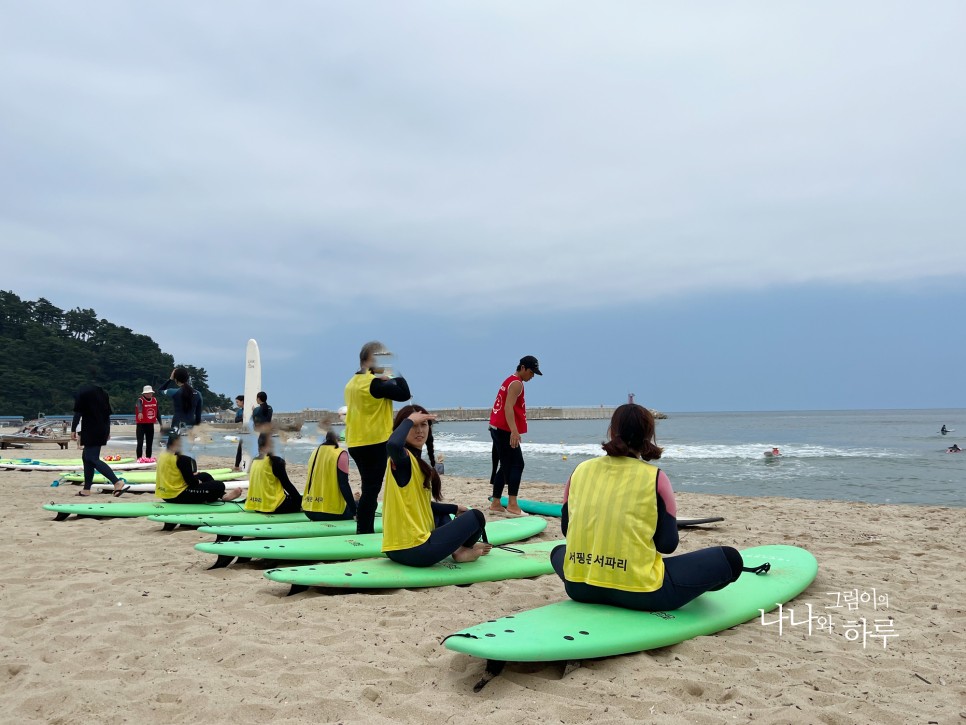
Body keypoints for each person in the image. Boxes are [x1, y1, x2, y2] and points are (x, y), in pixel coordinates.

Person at [551, 404, 748, 612]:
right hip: (641, 593)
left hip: (579, 587)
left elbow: (566, 530)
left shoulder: (579, 471)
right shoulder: (656, 478)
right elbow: (667, 544)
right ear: (649, 435)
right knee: (730, 559)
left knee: (557, 551)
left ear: (611, 431)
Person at [382, 405, 492, 567]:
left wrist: (454, 507)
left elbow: (422, 505)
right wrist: (409, 420)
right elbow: (392, 445)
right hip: (416, 551)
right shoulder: (404, 460)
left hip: (394, 550)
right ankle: (462, 551)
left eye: (423, 425)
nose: (419, 430)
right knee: (476, 516)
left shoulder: (415, 462)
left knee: (443, 515)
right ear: (403, 428)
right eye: (413, 426)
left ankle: (459, 546)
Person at [344, 341, 411, 534]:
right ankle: (364, 531)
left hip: (356, 441)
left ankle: (363, 527)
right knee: (371, 491)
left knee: (369, 488)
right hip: (374, 441)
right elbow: (404, 394)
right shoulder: (373, 384)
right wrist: (394, 371)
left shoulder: (352, 383)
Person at [488, 355, 542, 515]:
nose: (532, 376)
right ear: (523, 368)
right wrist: (514, 431)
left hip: (497, 427)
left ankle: (496, 503)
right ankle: (512, 505)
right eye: (531, 372)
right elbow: (508, 408)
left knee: (505, 465)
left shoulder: (509, 380)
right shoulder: (517, 383)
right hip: (504, 429)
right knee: (517, 464)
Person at [70, 383, 128, 497]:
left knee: (92, 458)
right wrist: (107, 431)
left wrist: (73, 429)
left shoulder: (84, 396)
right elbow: (107, 416)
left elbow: (78, 413)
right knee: (86, 457)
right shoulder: (103, 396)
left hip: (90, 429)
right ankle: (86, 489)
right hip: (101, 429)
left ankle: (117, 482)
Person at [156, 432, 244, 503]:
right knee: (219, 485)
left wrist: (194, 476)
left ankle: (223, 495)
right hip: (177, 495)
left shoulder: (164, 454)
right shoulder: (182, 458)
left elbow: (174, 472)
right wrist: (198, 480)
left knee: (205, 475)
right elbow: (192, 483)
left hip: (164, 493)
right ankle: (222, 496)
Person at [302, 431, 356, 521]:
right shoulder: (341, 453)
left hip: (309, 510)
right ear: (337, 440)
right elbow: (343, 484)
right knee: (366, 505)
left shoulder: (314, 452)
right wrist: (355, 512)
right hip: (332, 512)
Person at [245, 432, 303, 514]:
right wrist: (300, 502)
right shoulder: (275, 461)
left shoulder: (255, 460)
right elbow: (287, 485)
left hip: (256, 506)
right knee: (302, 500)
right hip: (274, 506)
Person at [158, 368, 203, 433]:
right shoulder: (198, 394)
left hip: (176, 427)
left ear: (175, 379)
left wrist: (170, 379)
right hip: (191, 429)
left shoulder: (174, 392)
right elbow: (198, 416)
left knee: (174, 442)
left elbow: (160, 390)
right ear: (187, 378)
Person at [134, 385, 161, 459]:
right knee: (140, 443)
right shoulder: (140, 400)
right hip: (141, 425)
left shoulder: (155, 400)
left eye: (150, 393)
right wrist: (140, 412)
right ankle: (139, 458)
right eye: (147, 393)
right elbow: (139, 405)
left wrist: (161, 423)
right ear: (144, 394)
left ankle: (148, 458)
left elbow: (157, 412)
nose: (149, 394)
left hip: (150, 425)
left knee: (149, 443)